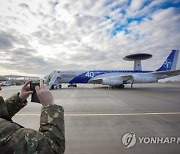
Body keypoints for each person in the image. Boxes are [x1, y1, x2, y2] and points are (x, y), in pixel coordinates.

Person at [0, 80, 65, 154]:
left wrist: (18, 99)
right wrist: (49, 106)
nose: (0, 88)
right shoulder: (6, 133)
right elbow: (52, 148)